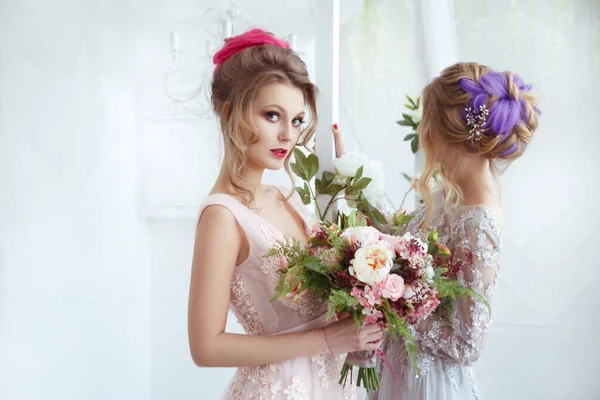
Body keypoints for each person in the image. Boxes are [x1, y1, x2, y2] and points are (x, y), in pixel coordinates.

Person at [187, 28, 382, 400]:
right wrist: (325, 340)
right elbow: (205, 348)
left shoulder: (285, 197)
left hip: (332, 383)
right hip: (278, 389)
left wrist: (347, 182)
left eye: (295, 120)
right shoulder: (222, 216)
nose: (287, 135)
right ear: (231, 113)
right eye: (272, 115)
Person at [374, 62, 540, 399]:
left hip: (427, 384)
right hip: (400, 370)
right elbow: (395, 233)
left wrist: (391, 304)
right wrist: (350, 173)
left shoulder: (480, 223)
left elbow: (466, 344)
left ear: (438, 132)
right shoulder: (448, 197)